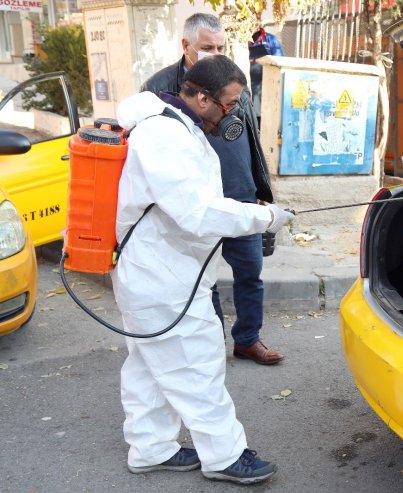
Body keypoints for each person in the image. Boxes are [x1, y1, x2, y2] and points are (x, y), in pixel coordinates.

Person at [112, 55, 294, 484]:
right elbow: (197, 212)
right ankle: (224, 456)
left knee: (148, 367)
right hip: (163, 277)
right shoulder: (164, 134)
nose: (231, 113)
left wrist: (254, 211)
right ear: (200, 95)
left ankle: (150, 448)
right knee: (197, 364)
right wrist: (262, 218)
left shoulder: (175, 126)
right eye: (228, 104)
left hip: (158, 271)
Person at [143, 13, 285, 365]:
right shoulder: (159, 87)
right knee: (204, 279)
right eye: (208, 47)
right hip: (197, 204)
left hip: (242, 196)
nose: (217, 53)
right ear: (186, 46)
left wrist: (260, 187)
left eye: (222, 46)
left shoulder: (234, 80)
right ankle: (213, 343)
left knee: (250, 275)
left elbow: (250, 135)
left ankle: (248, 339)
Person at [248, 22, 283, 127]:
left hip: (265, 85)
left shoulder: (270, 40)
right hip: (249, 84)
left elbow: (278, 62)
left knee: (263, 116)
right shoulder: (240, 42)